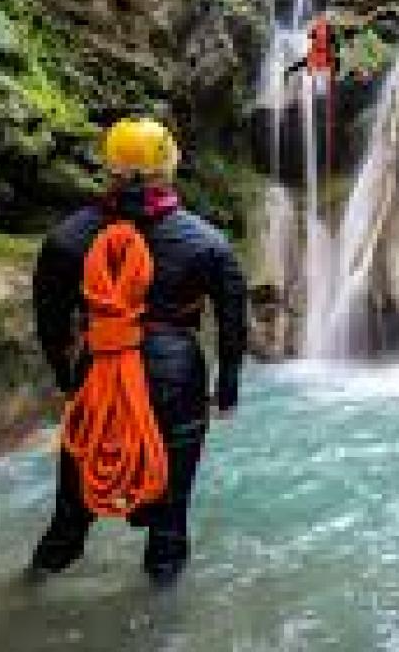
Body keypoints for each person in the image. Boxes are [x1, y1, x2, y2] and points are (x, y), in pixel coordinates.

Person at [27, 118, 247, 586]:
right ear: (167, 168)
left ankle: (29, 591)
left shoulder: (67, 240)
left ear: (108, 169)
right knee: (169, 520)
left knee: (73, 506)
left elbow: (51, 325)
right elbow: (232, 325)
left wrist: (71, 383)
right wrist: (226, 393)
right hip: (176, 379)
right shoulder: (208, 243)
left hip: (99, 371)